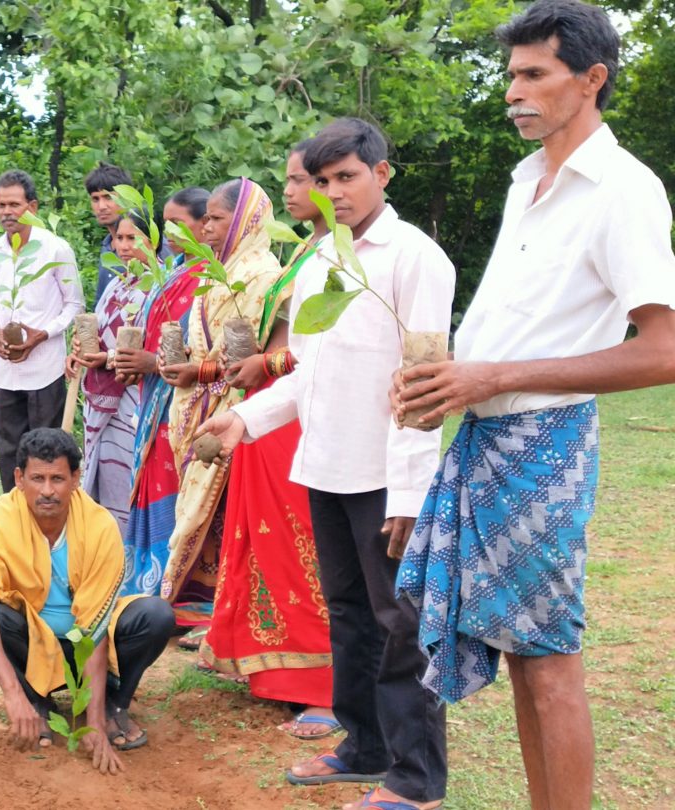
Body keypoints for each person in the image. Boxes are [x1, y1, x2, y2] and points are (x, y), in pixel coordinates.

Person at [394, 3, 675, 807]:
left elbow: (664, 349)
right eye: (510, 75)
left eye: (533, 74)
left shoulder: (623, 190)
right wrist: (452, 380)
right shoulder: (529, 179)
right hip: (486, 437)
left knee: (549, 662)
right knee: (524, 658)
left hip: (544, 443)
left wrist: (491, 378)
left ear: (591, 80)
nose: (513, 92)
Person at [202, 118, 455, 810]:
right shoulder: (319, 261)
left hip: (385, 475)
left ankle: (416, 778)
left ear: (382, 174)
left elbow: (424, 386)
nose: (334, 192)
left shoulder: (414, 258)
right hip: (326, 465)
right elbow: (308, 375)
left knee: (399, 622)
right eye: (322, 180)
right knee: (347, 612)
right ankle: (363, 745)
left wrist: (410, 495)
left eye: (347, 177)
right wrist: (246, 419)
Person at [195, 147, 337, 741]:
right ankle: (268, 665)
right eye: (290, 180)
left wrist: (265, 363)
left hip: (297, 414)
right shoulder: (305, 250)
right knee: (261, 538)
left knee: (302, 545)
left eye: (304, 180)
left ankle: (325, 686)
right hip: (267, 411)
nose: (292, 191)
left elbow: (321, 350)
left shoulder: (343, 255)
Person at [0, 428, 177, 774]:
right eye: (38, 479)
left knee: (156, 615)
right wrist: (11, 693)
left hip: (86, 646)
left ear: (75, 479)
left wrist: (93, 723)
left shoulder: (99, 525)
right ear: (19, 479)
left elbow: (95, 629)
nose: (47, 491)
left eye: (58, 478)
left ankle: (112, 706)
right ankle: (36, 702)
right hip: (33, 647)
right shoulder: (0, 520)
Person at [158, 178, 290, 635]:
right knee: (204, 508)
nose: (208, 227)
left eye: (217, 218)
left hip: (240, 406)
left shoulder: (263, 276)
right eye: (208, 217)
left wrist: (201, 372)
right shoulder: (217, 271)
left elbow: (259, 357)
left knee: (226, 506)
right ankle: (199, 600)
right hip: (197, 402)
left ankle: (226, 608)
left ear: (246, 221)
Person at [111, 190, 206, 599]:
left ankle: (177, 588)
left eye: (178, 223)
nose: (169, 233)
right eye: (165, 224)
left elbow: (207, 351)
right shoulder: (171, 272)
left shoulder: (210, 279)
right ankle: (148, 582)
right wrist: (132, 363)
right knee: (154, 481)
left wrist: (151, 363)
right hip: (154, 404)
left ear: (205, 224)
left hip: (187, 407)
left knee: (178, 490)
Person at [0, 169, 85, 493]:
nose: (7, 212)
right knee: (8, 449)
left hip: (45, 369)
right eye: (1, 205)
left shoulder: (56, 249)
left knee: (46, 449)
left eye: (14, 204)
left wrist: (42, 334)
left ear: (33, 207)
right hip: (7, 370)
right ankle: (13, 514)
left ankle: (48, 513)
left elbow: (74, 304)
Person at [69, 206, 157, 534]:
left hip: (135, 399)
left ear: (153, 240)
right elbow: (98, 331)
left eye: (133, 238)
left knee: (128, 477)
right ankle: (107, 548)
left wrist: (106, 359)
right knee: (106, 477)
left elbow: (152, 348)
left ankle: (128, 549)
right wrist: (78, 349)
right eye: (119, 238)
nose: (123, 246)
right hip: (102, 400)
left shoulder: (159, 287)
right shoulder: (117, 285)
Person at [84, 163, 134, 305]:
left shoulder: (146, 242)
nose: (101, 206)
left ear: (126, 198)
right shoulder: (107, 246)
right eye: (95, 199)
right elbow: (101, 301)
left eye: (108, 197)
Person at [161, 187, 210, 265]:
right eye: (166, 224)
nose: (167, 231)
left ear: (205, 222)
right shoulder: (169, 269)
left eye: (175, 223)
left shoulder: (218, 268)